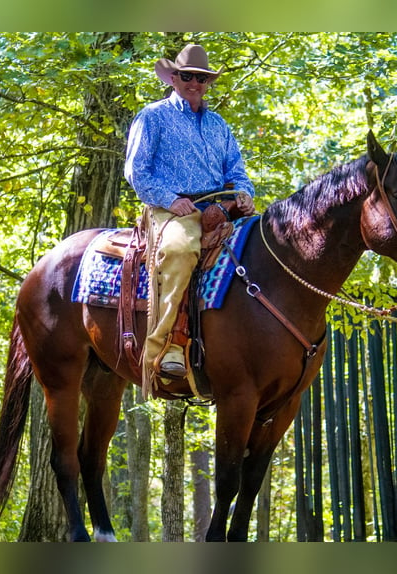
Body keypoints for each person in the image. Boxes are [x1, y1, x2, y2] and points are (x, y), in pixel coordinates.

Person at [124, 44, 256, 382]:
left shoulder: (218, 125)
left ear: (208, 82)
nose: (194, 83)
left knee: (264, 247)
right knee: (182, 252)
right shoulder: (152, 116)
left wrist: (244, 194)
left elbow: (236, 169)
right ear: (173, 78)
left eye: (201, 78)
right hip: (171, 208)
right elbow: (137, 172)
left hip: (219, 206)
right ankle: (166, 345)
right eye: (187, 76)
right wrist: (170, 200)